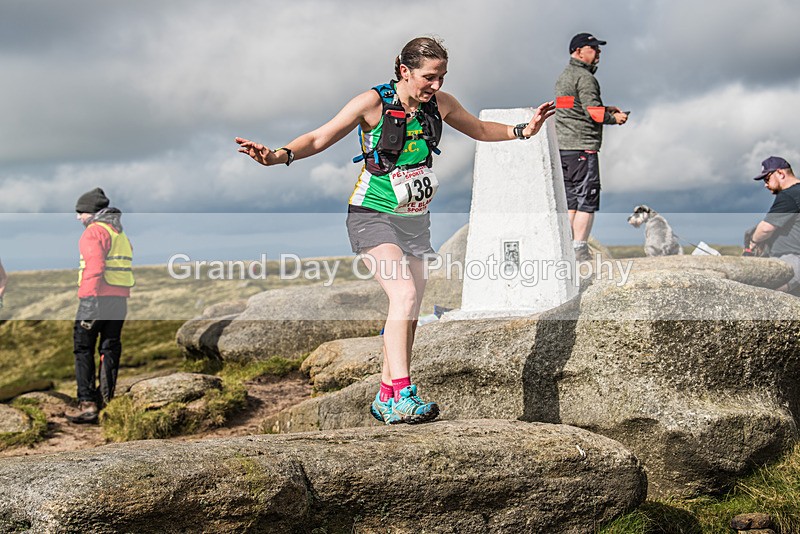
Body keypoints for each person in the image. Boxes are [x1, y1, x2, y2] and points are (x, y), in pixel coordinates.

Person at [236, 36, 555, 425]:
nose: (436, 86)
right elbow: (320, 137)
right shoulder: (372, 103)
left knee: (409, 310)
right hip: (372, 214)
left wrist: (525, 130)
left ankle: (386, 395)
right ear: (404, 71)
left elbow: (481, 129)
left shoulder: (441, 103)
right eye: (429, 77)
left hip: (414, 220)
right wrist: (277, 156)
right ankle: (404, 393)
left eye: (442, 77)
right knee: (403, 294)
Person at [554, 32, 628, 261]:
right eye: (593, 48)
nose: (598, 52)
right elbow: (593, 113)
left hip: (564, 149)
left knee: (571, 200)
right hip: (583, 146)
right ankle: (579, 250)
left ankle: (566, 247)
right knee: (587, 199)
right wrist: (615, 118)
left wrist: (605, 108)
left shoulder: (564, 77)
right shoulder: (586, 78)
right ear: (578, 51)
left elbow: (571, 108)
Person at [65, 187, 134, 424]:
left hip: (95, 300)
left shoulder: (94, 232)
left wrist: (88, 298)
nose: (78, 217)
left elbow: (94, 266)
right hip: (119, 301)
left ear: (92, 212)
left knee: (83, 349)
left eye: (81, 212)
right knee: (109, 348)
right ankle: (106, 401)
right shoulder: (119, 232)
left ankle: (87, 404)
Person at [749, 156, 800, 295]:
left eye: (767, 179)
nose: (765, 184)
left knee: (761, 296)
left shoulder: (789, 195)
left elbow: (766, 228)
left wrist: (753, 243)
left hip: (792, 262)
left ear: (781, 174)